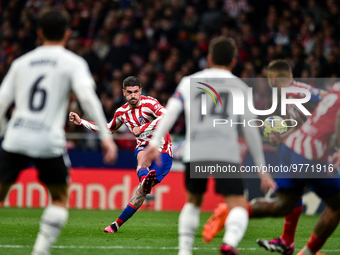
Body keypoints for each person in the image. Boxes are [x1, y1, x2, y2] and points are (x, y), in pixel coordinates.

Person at [140, 37, 276, 255]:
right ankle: (229, 243)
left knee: (193, 202)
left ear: (209, 58)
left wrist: (154, 143)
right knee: (238, 204)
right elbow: (251, 129)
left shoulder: (189, 81)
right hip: (225, 153)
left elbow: (171, 112)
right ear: (233, 61)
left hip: (196, 151)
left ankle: (184, 251)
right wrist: (261, 168)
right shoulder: (240, 86)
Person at [0, 9, 117, 255]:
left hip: (16, 137)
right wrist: (106, 137)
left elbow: (1, 102)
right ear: (67, 34)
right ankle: (40, 252)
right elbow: (87, 98)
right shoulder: (73, 63)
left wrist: (3, 132)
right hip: (48, 140)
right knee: (59, 198)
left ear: (40, 32)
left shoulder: (21, 63)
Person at [203, 59, 327, 255]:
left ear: (273, 78)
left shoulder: (294, 94)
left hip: (315, 151)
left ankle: (232, 212)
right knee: (290, 199)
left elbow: (317, 118)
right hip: (308, 150)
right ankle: (292, 243)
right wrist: (283, 135)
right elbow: (305, 124)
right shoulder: (296, 92)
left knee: (289, 200)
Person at [69, 75, 173, 234]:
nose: (133, 95)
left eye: (136, 92)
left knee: (140, 193)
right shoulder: (122, 112)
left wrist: (143, 129)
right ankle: (144, 180)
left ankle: (119, 220)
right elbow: (108, 129)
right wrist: (82, 122)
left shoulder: (150, 104)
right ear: (124, 92)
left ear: (141, 91)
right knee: (141, 158)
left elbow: (167, 115)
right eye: (129, 92)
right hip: (143, 147)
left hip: (163, 150)